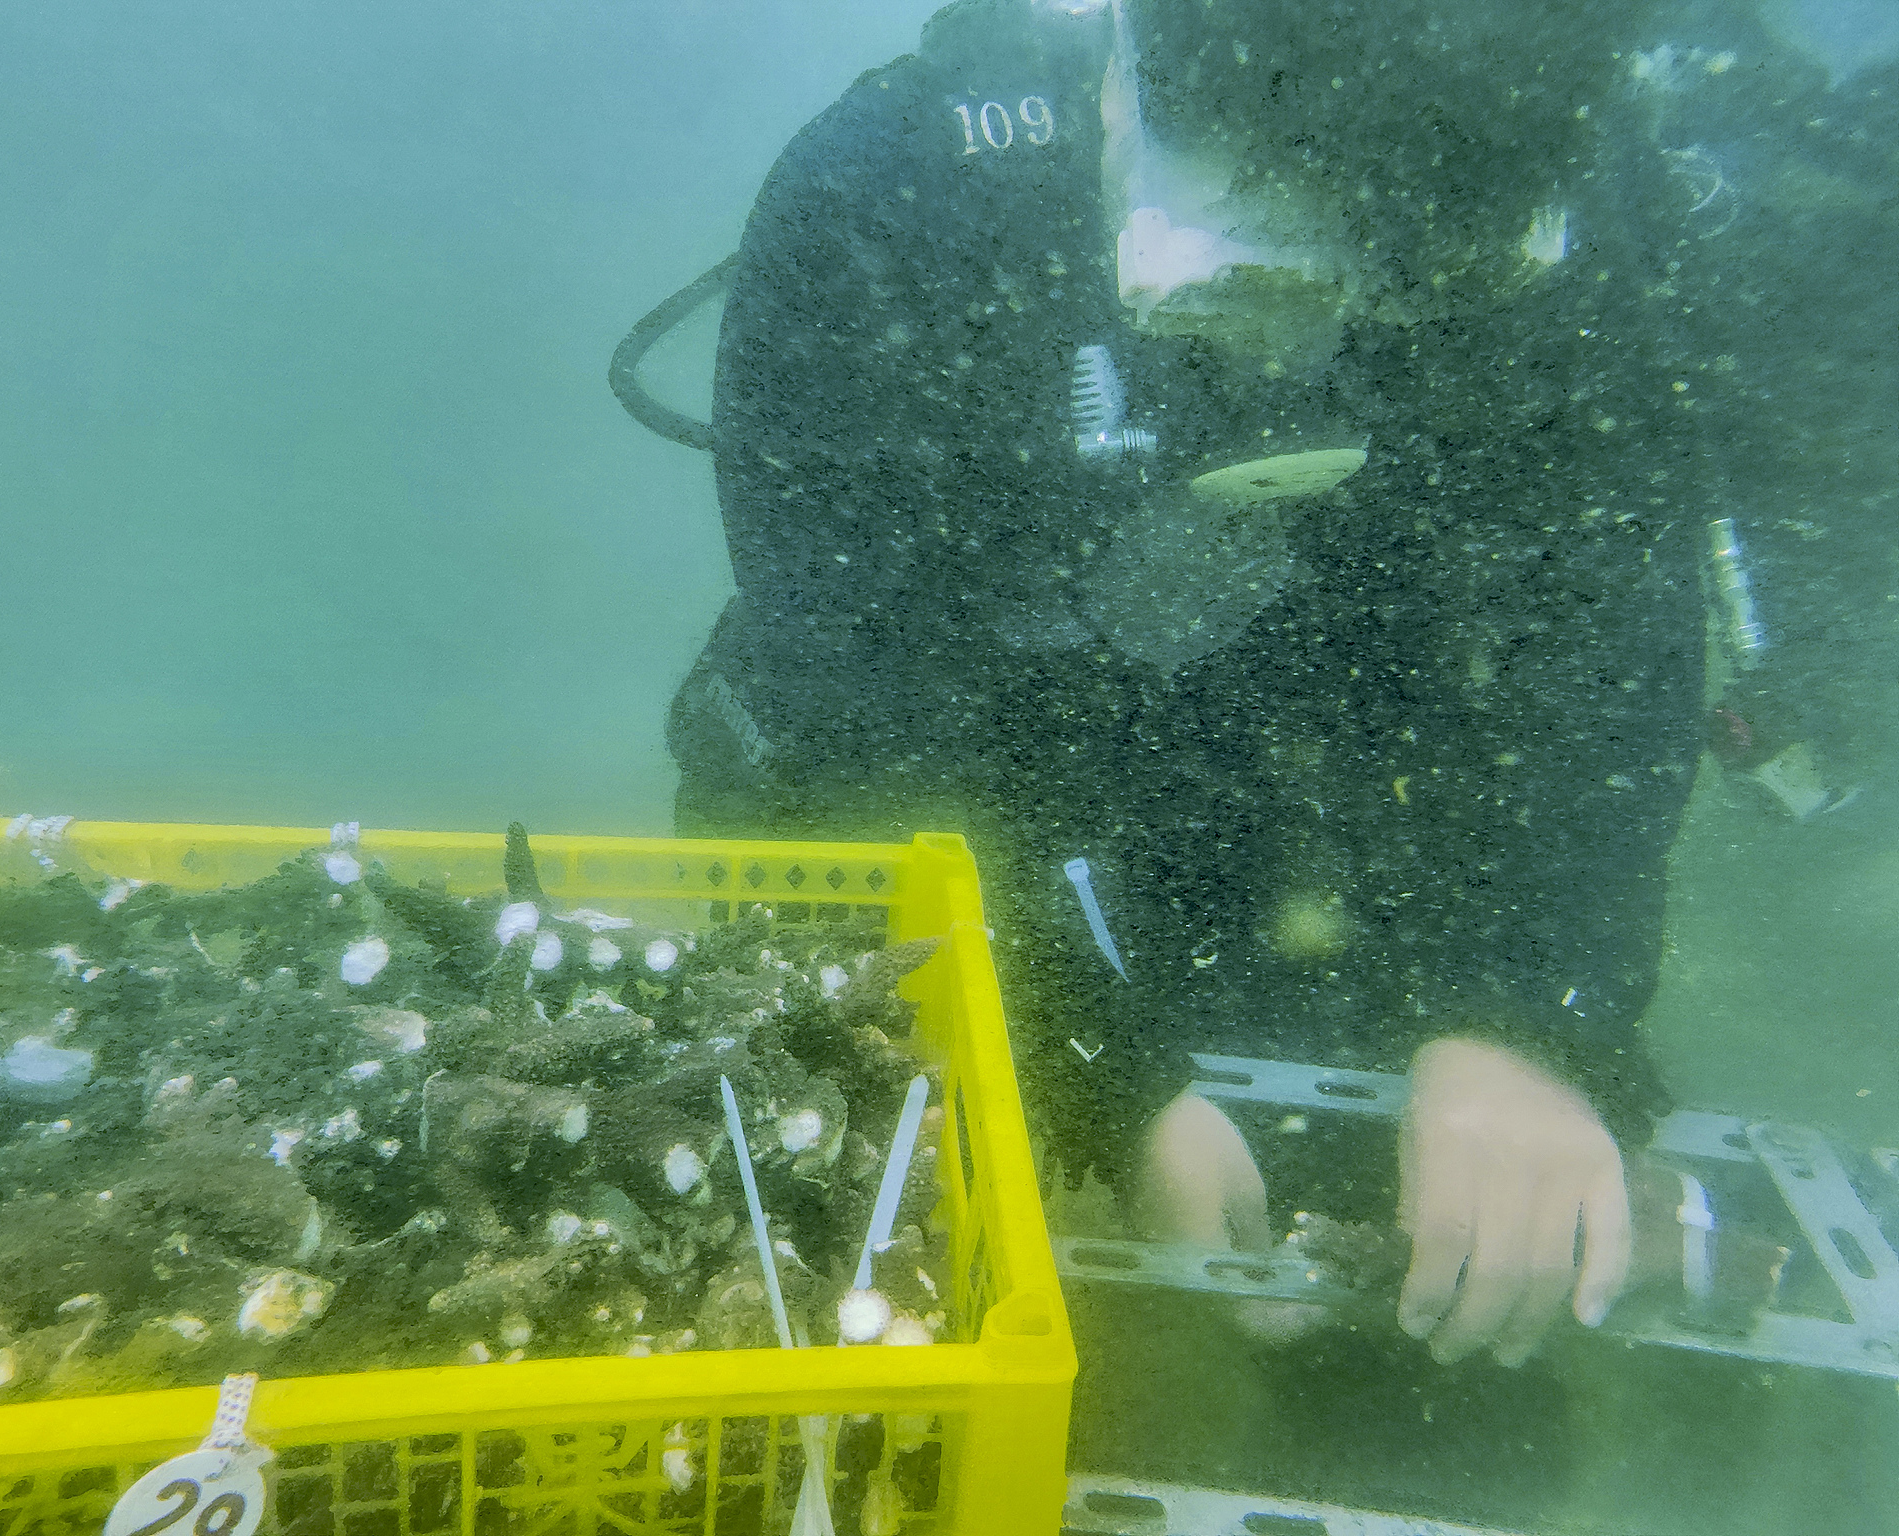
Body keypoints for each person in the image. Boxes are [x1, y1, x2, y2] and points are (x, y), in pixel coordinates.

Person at [669, 0, 1725, 1371]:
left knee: (1424, 1340)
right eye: (1258, 271)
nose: (1299, 340)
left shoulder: (1568, 171)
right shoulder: (895, 186)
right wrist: (1104, 1070)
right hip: (981, 800)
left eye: (1420, 286)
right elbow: (860, 699)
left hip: (1324, 811)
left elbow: (1605, 610)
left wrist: (1525, 1014)